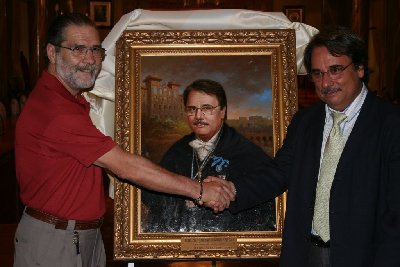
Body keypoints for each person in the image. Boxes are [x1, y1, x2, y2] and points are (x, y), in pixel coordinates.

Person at [13, 13, 235, 267]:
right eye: (78, 49)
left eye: (95, 50)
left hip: (79, 236)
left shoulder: (70, 100)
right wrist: (200, 190)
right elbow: (126, 166)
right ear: (52, 53)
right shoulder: (56, 111)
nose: (89, 59)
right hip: (56, 243)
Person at [216, 25, 400, 266]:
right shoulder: (305, 121)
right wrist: (231, 189)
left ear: (360, 68)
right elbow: (278, 172)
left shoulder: (391, 124)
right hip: (305, 253)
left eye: (335, 70)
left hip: (364, 256)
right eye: (317, 73)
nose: (326, 82)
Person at [141, 79, 276, 232]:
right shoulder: (178, 149)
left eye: (207, 108)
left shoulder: (246, 151)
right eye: (192, 109)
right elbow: (155, 199)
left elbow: (266, 196)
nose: (198, 116)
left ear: (223, 112)